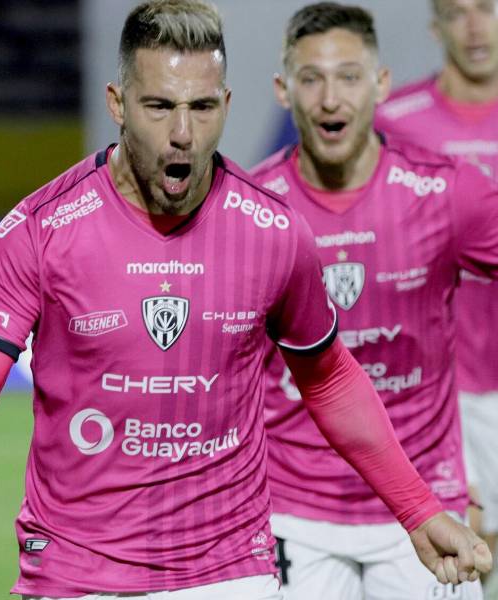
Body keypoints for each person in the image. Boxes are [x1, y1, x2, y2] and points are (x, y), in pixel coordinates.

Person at [0, 2, 491, 598]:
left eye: (202, 107)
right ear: (118, 103)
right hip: (76, 573)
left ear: (226, 105)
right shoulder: (41, 229)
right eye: (159, 106)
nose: (183, 133)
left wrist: (419, 511)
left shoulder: (271, 231)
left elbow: (330, 379)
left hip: (228, 571)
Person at [250, 2, 498, 599]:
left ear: (380, 84)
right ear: (284, 90)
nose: (330, 98)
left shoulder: (447, 192)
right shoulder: (250, 212)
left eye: (349, 76)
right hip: (294, 511)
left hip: (426, 500)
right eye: (312, 79)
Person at [376, 0, 498, 589]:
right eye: (455, 12)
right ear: (434, 27)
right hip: (441, 382)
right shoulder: (396, 120)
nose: (473, 27)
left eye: (486, 8)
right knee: (466, 549)